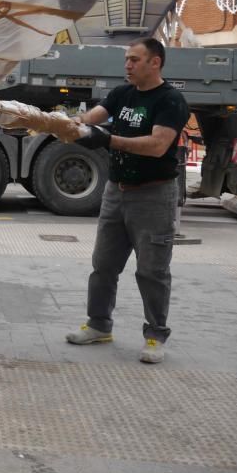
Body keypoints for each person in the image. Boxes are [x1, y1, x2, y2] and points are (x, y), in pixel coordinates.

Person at [66, 37, 189, 364]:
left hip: (154, 195)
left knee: (152, 270)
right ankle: (98, 325)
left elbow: (157, 145)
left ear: (155, 63)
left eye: (135, 60)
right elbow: (92, 117)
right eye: (127, 59)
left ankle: (155, 336)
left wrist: (108, 139)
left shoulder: (171, 101)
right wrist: (66, 124)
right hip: (116, 192)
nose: (128, 65)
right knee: (103, 265)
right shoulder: (122, 94)